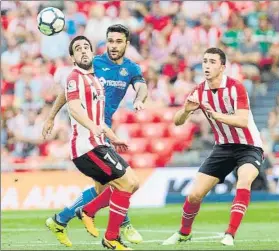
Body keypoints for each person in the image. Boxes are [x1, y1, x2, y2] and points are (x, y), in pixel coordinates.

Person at [43, 24, 147, 247]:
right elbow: (69, 95)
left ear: (127, 44)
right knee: (120, 184)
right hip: (90, 133)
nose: (113, 46)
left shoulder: (131, 68)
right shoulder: (92, 63)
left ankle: (62, 219)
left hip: (103, 130)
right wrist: (52, 116)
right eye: (110, 41)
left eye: (118, 42)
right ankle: (119, 226)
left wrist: (139, 99)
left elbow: (141, 87)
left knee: (109, 187)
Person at [162, 48, 263, 246]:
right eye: (205, 61)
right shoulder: (199, 91)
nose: (206, 66)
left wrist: (217, 116)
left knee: (244, 181)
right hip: (223, 147)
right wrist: (186, 111)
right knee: (194, 195)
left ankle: (230, 234)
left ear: (222, 67)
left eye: (212, 62)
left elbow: (242, 121)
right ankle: (184, 232)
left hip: (249, 146)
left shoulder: (236, 88)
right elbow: (177, 121)